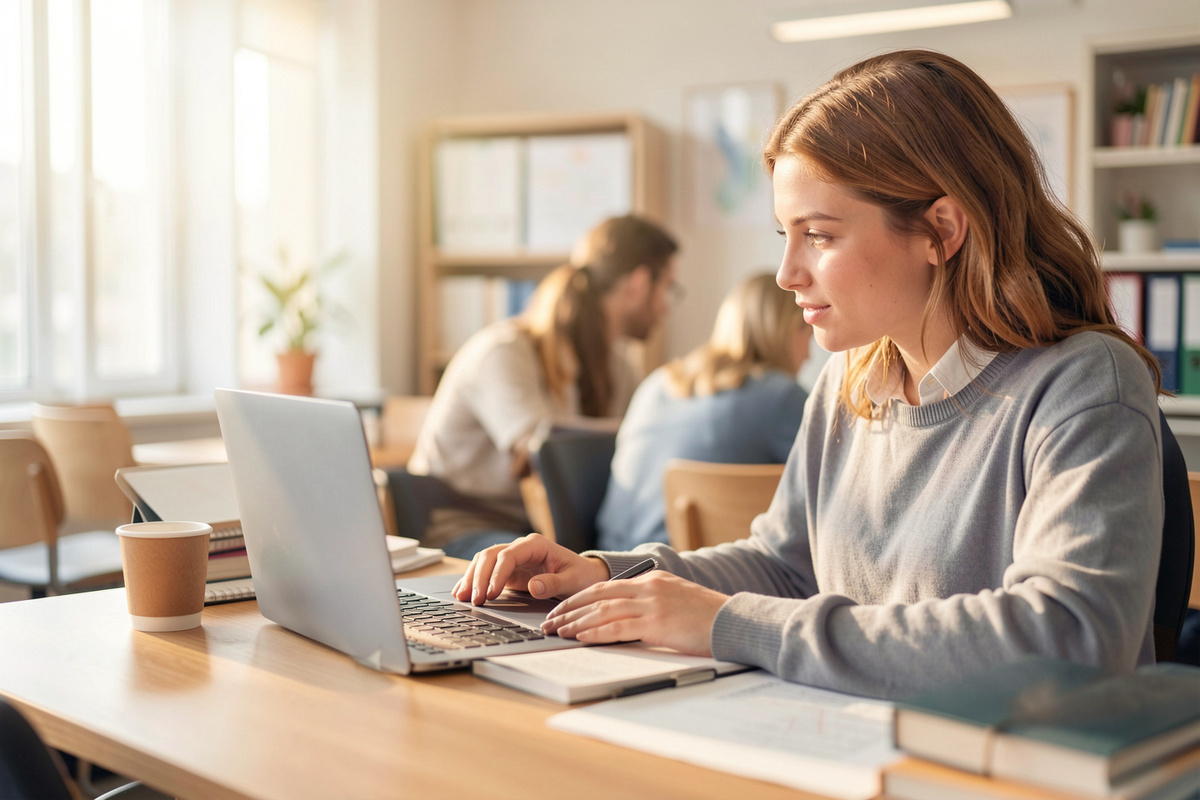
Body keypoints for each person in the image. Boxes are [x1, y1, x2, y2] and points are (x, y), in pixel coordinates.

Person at [451, 50, 1167, 700]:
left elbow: (1071, 639)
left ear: (941, 231)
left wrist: (738, 626)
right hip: (842, 740)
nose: (789, 274)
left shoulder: (1083, 386)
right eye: (784, 236)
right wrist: (612, 577)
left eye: (819, 236)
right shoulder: (849, 380)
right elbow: (784, 565)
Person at [406, 214, 680, 559]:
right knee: (554, 577)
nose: (668, 308)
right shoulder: (503, 352)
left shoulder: (619, 367)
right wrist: (642, 431)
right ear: (638, 283)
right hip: (463, 532)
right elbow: (540, 450)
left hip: (545, 532)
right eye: (668, 288)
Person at [595, 272, 811, 551]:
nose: (808, 355)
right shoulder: (782, 397)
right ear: (788, 330)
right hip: (687, 574)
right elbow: (837, 490)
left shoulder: (657, 383)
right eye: (807, 334)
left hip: (609, 562)